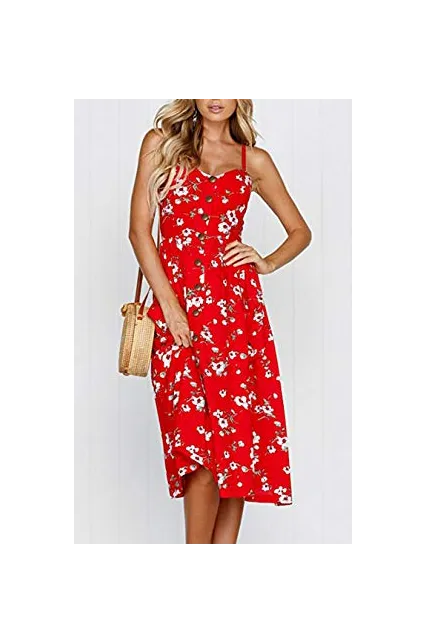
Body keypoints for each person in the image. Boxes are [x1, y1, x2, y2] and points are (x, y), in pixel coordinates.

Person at [129, 98, 312, 544]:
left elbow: (300, 231)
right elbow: (139, 231)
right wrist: (170, 307)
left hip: (236, 318)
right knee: (198, 454)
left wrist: (266, 262)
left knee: (234, 452)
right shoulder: (161, 143)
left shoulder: (254, 161)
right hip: (176, 317)